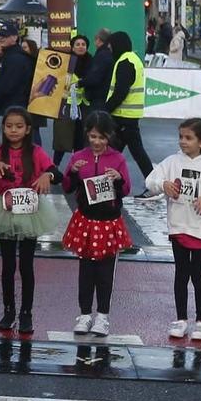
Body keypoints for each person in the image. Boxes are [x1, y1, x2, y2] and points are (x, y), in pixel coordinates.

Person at [0, 107, 63, 335]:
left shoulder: (35, 152)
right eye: (9, 126)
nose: (13, 130)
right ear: (3, 128)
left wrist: (47, 175)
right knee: (7, 266)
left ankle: (26, 312)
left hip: (30, 213)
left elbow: (57, 172)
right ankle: (8, 310)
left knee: (26, 265)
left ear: (27, 130)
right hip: (5, 210)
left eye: (19, 126)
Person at [155, 117, 201, 342]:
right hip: (178, 225)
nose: (183, 142)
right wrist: (163, 185)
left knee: (198, 275)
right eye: (180, 137)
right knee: (180, 273)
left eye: (188, 138)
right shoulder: (171, 161)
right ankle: (180, 319)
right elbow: (153, 179)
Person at [60, 110, 131, 337]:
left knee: (105, 271)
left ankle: (103, 316)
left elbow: (126, 189)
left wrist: (118, 180)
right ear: (87, 135)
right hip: (86, 220)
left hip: (109, 222)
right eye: (93, 136)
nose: (97, 142)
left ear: (109, 137)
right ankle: (84, 315)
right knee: (86, 269)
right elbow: (67, 187)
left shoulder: (118, 158)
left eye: (102, 137)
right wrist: (72, 171)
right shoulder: (79, 156)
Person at [102, 30, 154, 195]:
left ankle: (154, 186)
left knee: (129, 153)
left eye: (110, 46)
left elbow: (120, 92)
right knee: (114, 153)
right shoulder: (132, 59)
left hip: (123, 117)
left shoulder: (125, 62)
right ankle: (105, 185)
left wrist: (105, 110)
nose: (109, 50)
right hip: (127, 117)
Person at [0, 24, 36, 152]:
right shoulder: (13, 56)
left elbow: (7, 87)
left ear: (14, 37)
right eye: (0, 35)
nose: (1, 39)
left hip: (8, 109)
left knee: (7, 146)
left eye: (5, 36)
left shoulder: (14, 59)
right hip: (14, 107)